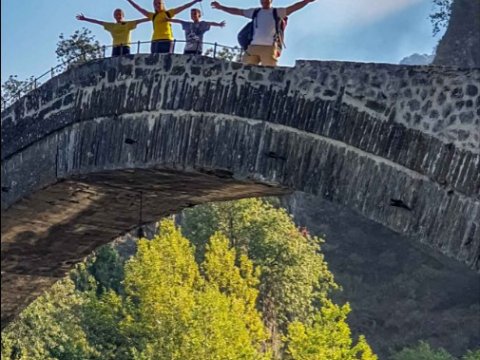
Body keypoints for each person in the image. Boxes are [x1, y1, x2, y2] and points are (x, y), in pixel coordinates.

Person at [211, 0, 317, 67]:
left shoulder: (277, 11)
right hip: (253, 47)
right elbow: (238, 11)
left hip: (269, 47)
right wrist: (221, 7)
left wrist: (305, 1)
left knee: (269, 73)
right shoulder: (255, 12)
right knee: (245, 70)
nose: (264, 1)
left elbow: (292, 8)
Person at [126, 0, 203, 54]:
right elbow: (139, 9)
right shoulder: (153, 15)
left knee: (167, 60)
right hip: (155, 41)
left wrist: (195, 1)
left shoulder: (168, 13)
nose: (158, 5)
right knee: (154, 60)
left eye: (159, 3)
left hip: (167, 40)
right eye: (155, 4)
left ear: (163, 4)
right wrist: (129, 1)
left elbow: (183, 7)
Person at [76, 9, 149, 57]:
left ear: (123, 16)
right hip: (115, 47)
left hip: (125, 47)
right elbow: (98, 22)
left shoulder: (128, 24)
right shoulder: (111, 26)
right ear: (114, 16)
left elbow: (140, 21)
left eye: (119, 14)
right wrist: (85, 19)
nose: (118, 16)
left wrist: (152, 17)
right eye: (116, 15)